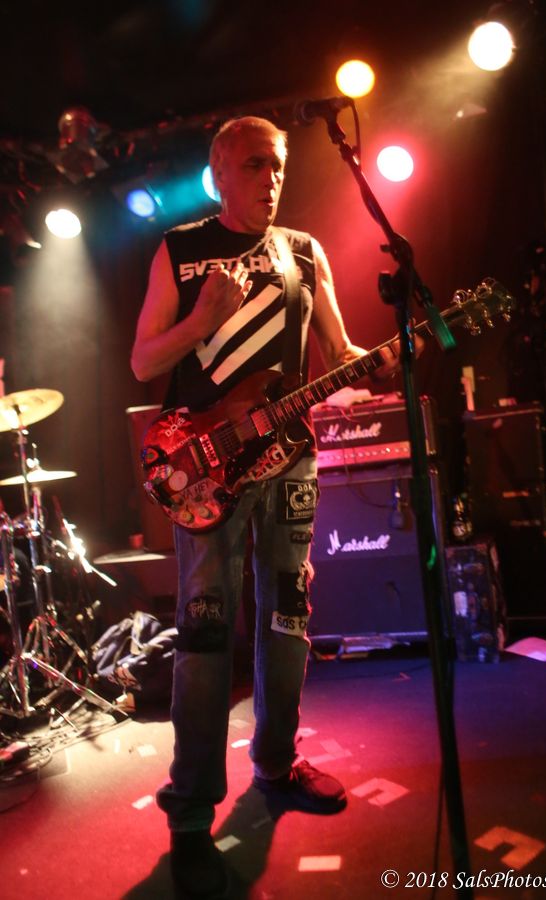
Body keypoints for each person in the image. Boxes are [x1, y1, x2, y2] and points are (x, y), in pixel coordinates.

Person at [131, 115, 404, 897]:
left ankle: (277, 765)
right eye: (255, 165)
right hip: (207, 468)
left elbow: (337, 354)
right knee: (206, 631)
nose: (271, 179)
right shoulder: (181, 250)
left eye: (278, 166)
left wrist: (384, 362)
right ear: (220, 174)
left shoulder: (304, 251)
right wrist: (201, 322)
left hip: (291, 460)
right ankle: (191, 816)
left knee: (289, 616)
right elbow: (144, 359)